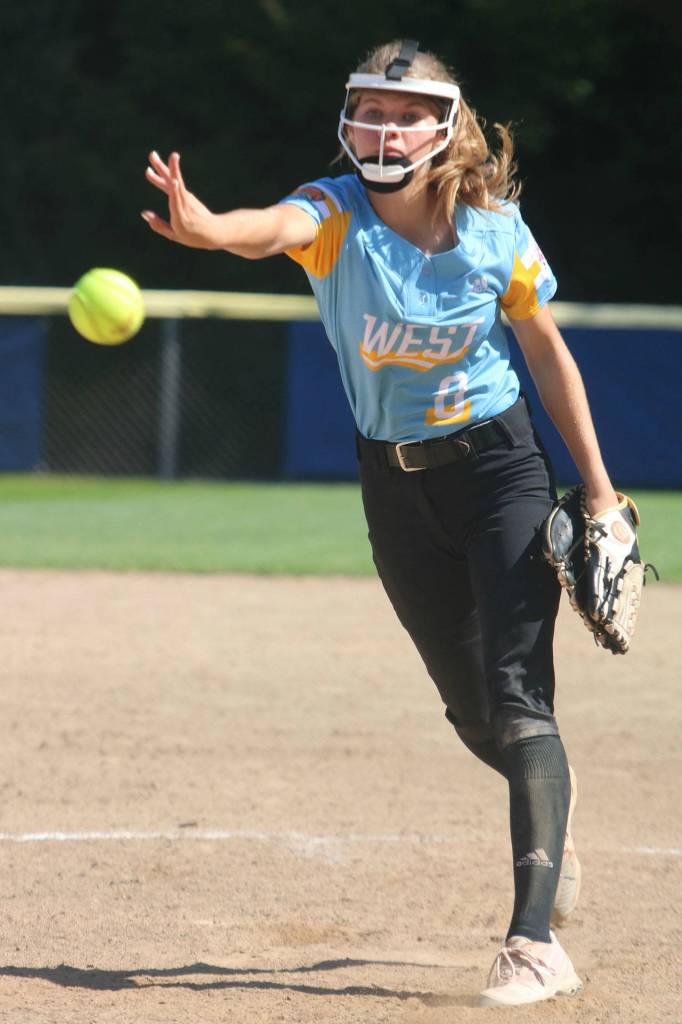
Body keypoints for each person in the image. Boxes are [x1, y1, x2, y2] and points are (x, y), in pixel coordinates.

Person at [142, 39, 617, 1007]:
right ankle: (550, 819)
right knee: (471, 710)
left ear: (444, 128)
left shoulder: (493, 230)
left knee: (520, 696)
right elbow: (265, 227)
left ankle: (531, 941)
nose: (384, 125)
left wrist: (601, 494)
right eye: (369, 107)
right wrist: (209, 227)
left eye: (404, 110)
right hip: (393, 486)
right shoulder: (333, 214)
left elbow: (549, 359)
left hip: (501, 471)